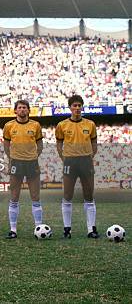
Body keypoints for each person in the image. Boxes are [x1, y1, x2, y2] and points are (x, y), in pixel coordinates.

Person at [56, 95, 99, 239]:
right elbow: (59, 144)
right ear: (70, 107)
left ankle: (91, 229)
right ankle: (67, 229)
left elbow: (94, 143)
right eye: (74, 105)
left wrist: (89, 156)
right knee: (67, 195)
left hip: (86, 161)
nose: (77, 108)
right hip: (70, 162)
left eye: (79, 105)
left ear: (82, 107)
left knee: (89, 195)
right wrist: (64, 158)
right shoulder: (62, 125)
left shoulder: (90, 124)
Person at [3, 100, 44, 239]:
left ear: (28, 110)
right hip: (16, 163)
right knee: (14, 197)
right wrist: (12, 158)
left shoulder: (35, 125)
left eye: (24, 107)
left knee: (35, 197)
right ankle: (13, 229)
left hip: (32, 163)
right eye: (19, 107)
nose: (22, 110)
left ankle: (38, 227)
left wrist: (33, 156)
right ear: (15, 110)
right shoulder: (9, 126)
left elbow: (40, 144)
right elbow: (6, 144)